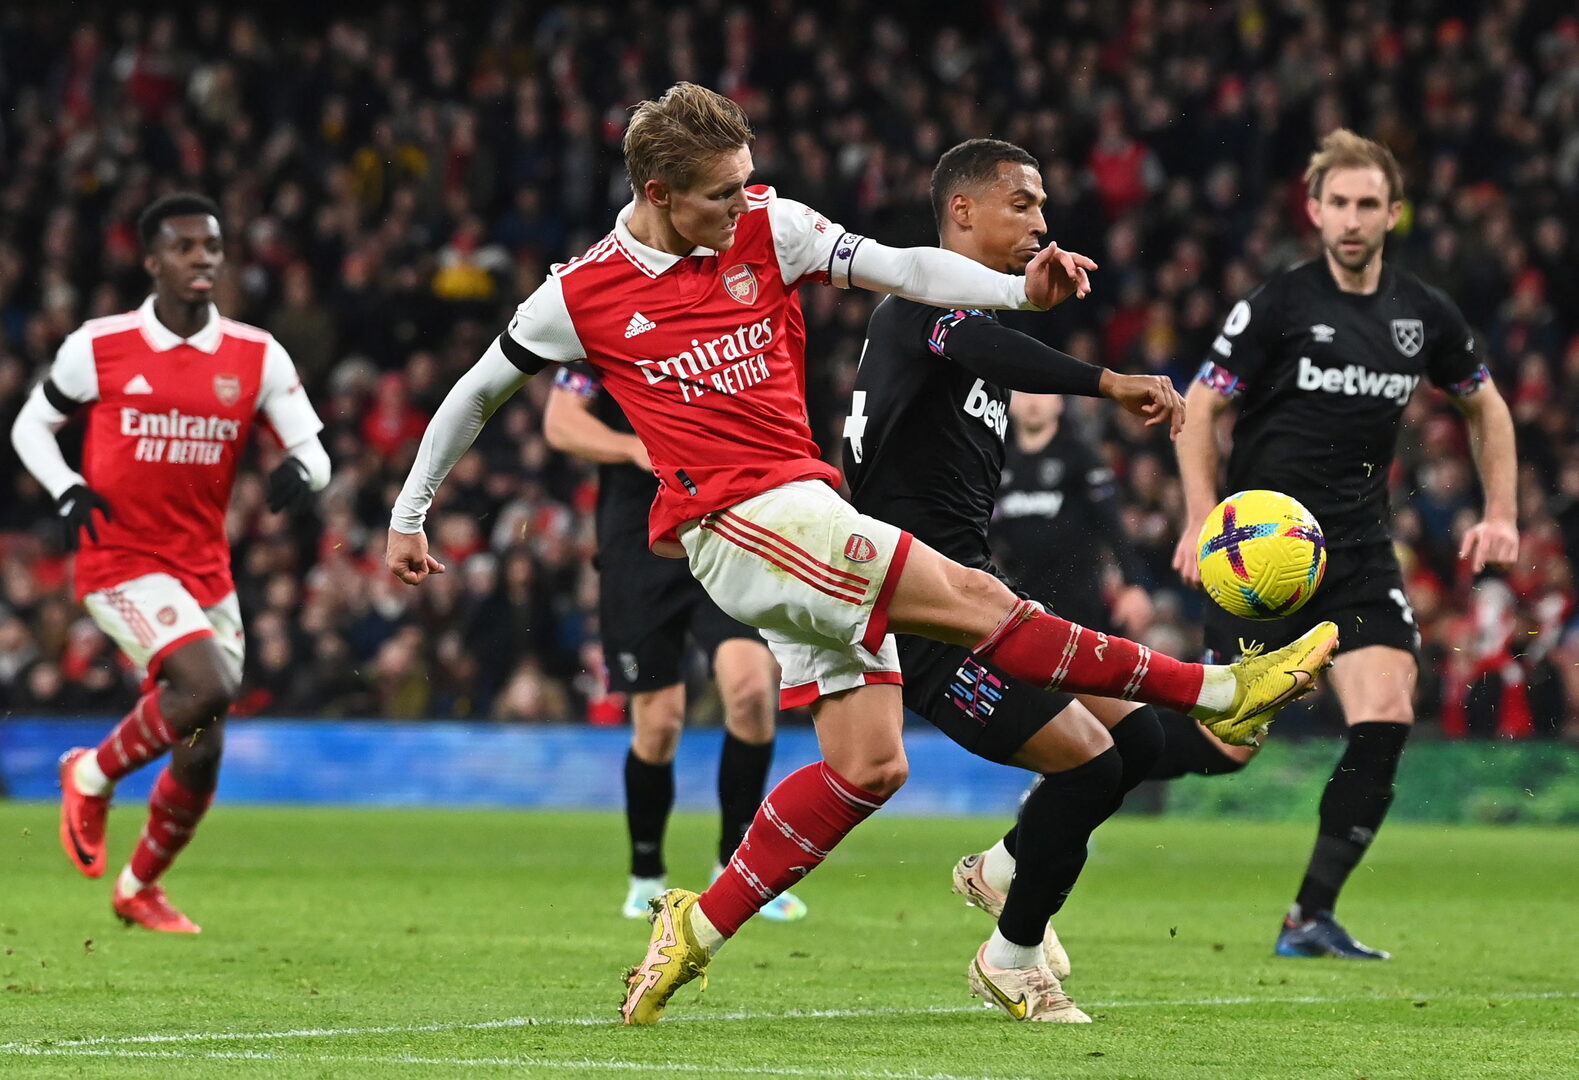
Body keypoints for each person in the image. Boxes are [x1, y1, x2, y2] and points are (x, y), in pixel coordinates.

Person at [383, 83, 1336, 1025]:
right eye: (721, 192)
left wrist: (1017, 291)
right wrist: (410, 512)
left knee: (869, 767)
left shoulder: (771, 226)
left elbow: (905, 269)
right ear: (659, 192)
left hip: (806, 511)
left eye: (746, 181)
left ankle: (693, 927)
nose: (742, 203)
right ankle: (1218, 688)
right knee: (976, 602)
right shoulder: (581, 292)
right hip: (735, 521)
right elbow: (477, 392)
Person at [843, 137, 1190, 1021]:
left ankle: (1001, 868)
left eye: (1042, 206)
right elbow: (993, 353)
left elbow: (988, 350)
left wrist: (1029, 300)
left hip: (974, 594)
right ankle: (1011, 958)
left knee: (1140, 742)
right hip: (921, 612)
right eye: (1022, 203)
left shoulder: (961, 319)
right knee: (1089, 765)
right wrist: (1108, 382)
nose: (1040, 221)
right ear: (961, 210)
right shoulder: (922, 297)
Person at [1165, 130, 1519, 960]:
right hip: (1263, 558)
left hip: (1356, 551)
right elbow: (1201, 405)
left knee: (1387, 710)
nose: (1352, 219)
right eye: (1339, 204)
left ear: (1392, 214)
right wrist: (1201, 520)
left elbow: (1485, 404)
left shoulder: (1421, 314)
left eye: (1368, 204)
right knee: (1227, 746)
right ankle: (1078, 768)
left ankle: (1308, 917)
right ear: (1314, 210)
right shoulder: (1278, 305)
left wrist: (1500, 511)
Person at [10, 193, 330, 932]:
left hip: (204, 569)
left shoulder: (255, 355)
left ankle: (138, 887)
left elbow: (313, 451)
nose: (202, 259)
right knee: (209, 684)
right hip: (119, 558)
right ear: (153, 261)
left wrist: (303, 473)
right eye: (185, 247)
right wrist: (66, 489)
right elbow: (32, 424)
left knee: (202, 747)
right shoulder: (99, 345)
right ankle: (90, 774)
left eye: (211, 246)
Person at [543, 364, 806, 922]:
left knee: (752, 692)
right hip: (638, 546)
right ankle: (646, 875)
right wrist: (633, 447)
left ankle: (738, 869)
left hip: (722, 528)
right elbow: (561, 423)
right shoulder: (601, 333)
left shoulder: (727, 326)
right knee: (659, 724)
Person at [991, 391, 1154, 638]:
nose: (1033, 400)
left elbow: (1112, 523)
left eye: (1043, 391)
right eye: (1024, 391)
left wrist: (1134, 584)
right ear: (1009, 402)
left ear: (1059, 402)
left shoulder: (1081, 457)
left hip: (1079, 603)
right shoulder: (998, 463)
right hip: (1018, 601)